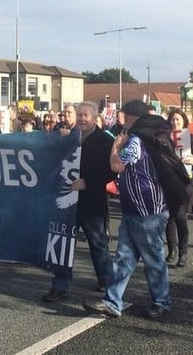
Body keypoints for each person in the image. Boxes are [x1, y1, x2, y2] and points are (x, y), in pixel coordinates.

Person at [82, 100, 172, 319]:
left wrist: (116, 146)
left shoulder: (136, 141)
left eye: (124, 115)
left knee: (153, 258)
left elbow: (117, 165)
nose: (121, 120)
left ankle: (161, 301)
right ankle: (112, 301)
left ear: (133, 117)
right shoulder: (145, 138)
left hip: (147, 210)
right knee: (124, 257)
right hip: (135, 208)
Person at [43, 102, 116, 303]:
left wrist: (88, 182)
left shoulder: (105, 140)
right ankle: (60, 285)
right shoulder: (68, 136)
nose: (82, 119)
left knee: (98, 242)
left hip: (91, 200)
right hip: (66, 201)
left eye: (86, 115)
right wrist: (60, 137)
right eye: (80, 115)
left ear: (94, 117)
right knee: (63, 242)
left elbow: (112, 171)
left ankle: (107, 281)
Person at [164, 109, 193, 267]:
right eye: (172, 119)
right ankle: (172, 249)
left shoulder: (191, 138)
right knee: (169, 217)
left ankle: (183, 252)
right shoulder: (164, 138)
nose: (175, 122)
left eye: (178, 119)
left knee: (180, 216)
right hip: (168, 181)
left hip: (184, 181)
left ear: (184, 121)